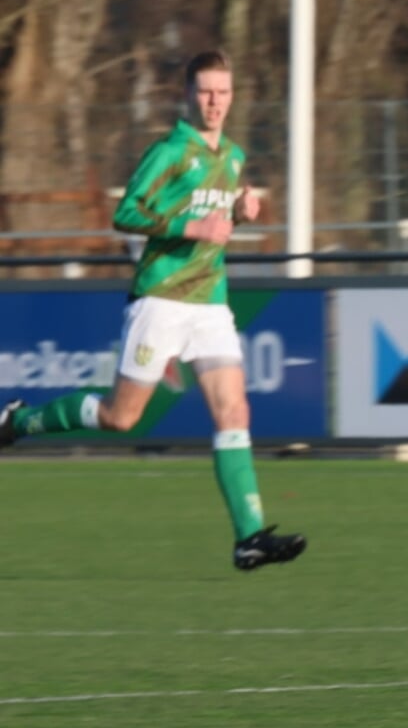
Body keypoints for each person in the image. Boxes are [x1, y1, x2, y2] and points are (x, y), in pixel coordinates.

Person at [0, 51, 307, 572]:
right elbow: (126, 212)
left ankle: (249, 537)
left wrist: (239, 209)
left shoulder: (232, 156)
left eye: (223, 93)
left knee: (234, 412)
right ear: (188, 95)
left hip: (210, 302)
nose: (215, 102)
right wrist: (193, 229)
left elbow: (214, 207)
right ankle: (19, 421)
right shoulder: (169, 151)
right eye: (206, 92)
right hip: (160, 300)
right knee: (123, 418)